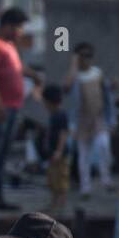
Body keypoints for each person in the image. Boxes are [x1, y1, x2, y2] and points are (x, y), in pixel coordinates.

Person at [0, 7, 44, 212]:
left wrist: (33, 76)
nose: (21, 32)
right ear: (8, 25)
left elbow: (16, 68)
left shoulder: (8, 46)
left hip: (12, 108)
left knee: (2, 154)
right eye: (19, 27)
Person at [63, 43, 118, 199]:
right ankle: (85, 187)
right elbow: (66, 87)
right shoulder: (75, 77)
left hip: (99, 118)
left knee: (103, 147)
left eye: (88, 56)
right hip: (81, 120)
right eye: (82, 56)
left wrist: (112, 119)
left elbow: (107, 96)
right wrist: (73, 64)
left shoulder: (97, 73)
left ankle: (106, 179)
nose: (85, 59)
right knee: (83, 155)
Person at [40, 84, 71, 214]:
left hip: (60, 154)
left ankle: (61, 203)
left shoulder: (61, 115)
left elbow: (63, 134)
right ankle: (54, 201)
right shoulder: (52, 116)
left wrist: (59, 151)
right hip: (52, 153)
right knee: (52, 178)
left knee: (61, 177)